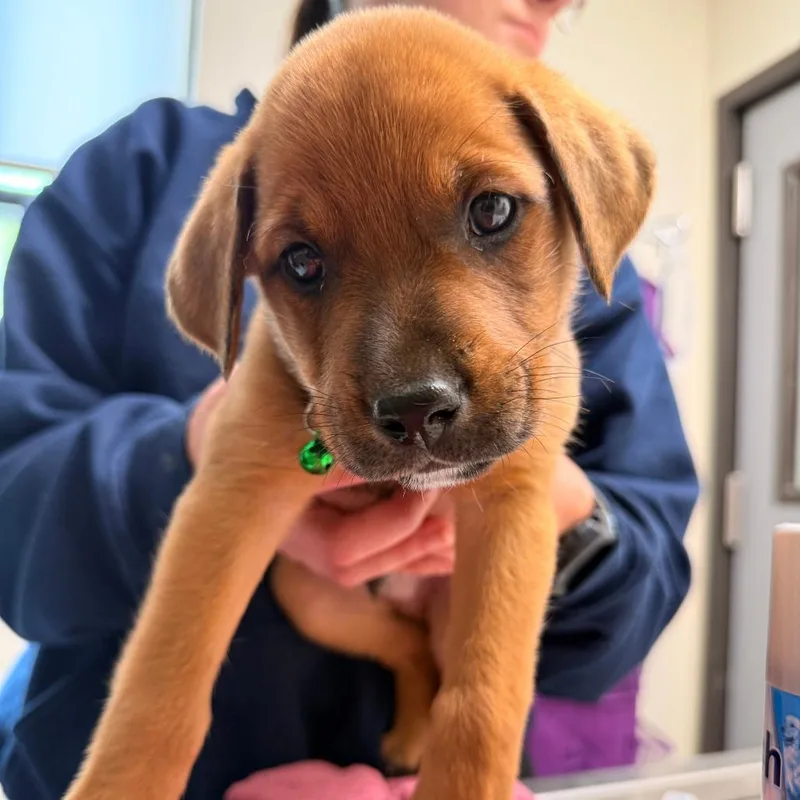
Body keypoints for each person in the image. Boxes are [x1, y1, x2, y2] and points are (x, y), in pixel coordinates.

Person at [0, 1, 698, 798]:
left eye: (491, 213)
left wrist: (549, 504)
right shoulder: (143, 168)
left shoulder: (572, 233)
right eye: (304, 265)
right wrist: (193, 451)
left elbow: (646, 577)